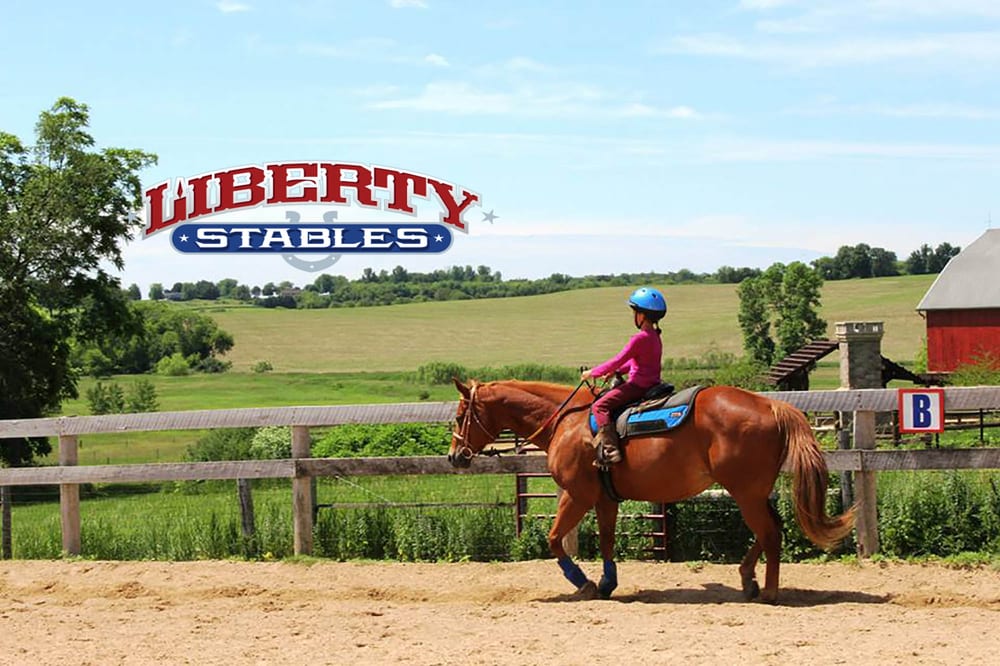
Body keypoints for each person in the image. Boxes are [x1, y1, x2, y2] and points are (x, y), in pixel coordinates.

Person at [581, 286, 666, 465]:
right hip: (653, 383)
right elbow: (637, 362)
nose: (633, 315)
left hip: (637, 386)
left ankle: (610, 450)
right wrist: (618, 372)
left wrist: (592, 372)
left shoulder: (639, 338)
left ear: (641, 315)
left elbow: (618, 359)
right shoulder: (654, 336)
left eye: (634, 312)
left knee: (600, 406)